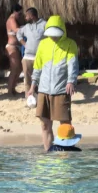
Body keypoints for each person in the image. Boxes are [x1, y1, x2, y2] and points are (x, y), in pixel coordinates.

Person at [30, 14, 79, 152]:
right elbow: (37, 66)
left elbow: (72, 64)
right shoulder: (43, 44)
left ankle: (66, 152)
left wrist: (71, 81)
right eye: (51, 34)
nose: (53, 37)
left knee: (65, 125)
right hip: (43, 90)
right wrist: (33, 85)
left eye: (56, 34)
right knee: (45, 125)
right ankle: (48, 152)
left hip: (61, 90)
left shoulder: (70, 44)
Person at [18, 8, 46, 91]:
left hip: (40, 58)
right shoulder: (26, 27)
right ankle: (29, 97)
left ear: (31, 16)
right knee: (27, 81)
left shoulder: (45, 24)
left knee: (41, 80)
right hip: (27, 58)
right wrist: (24, 43)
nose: (25, 18)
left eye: (26, 16)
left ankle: (40, 96)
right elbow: (18, 33)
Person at [4, 7, 24, 95]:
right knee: (14, 69)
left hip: (16, 46)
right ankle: (9, 90)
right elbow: (16, 30)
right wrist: (27, 28)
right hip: (12, 46)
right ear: (14, 12)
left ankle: (13, 88)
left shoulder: (14, 20)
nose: (20, 16)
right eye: (19, 14)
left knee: (19, 68)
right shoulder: (11, 20)